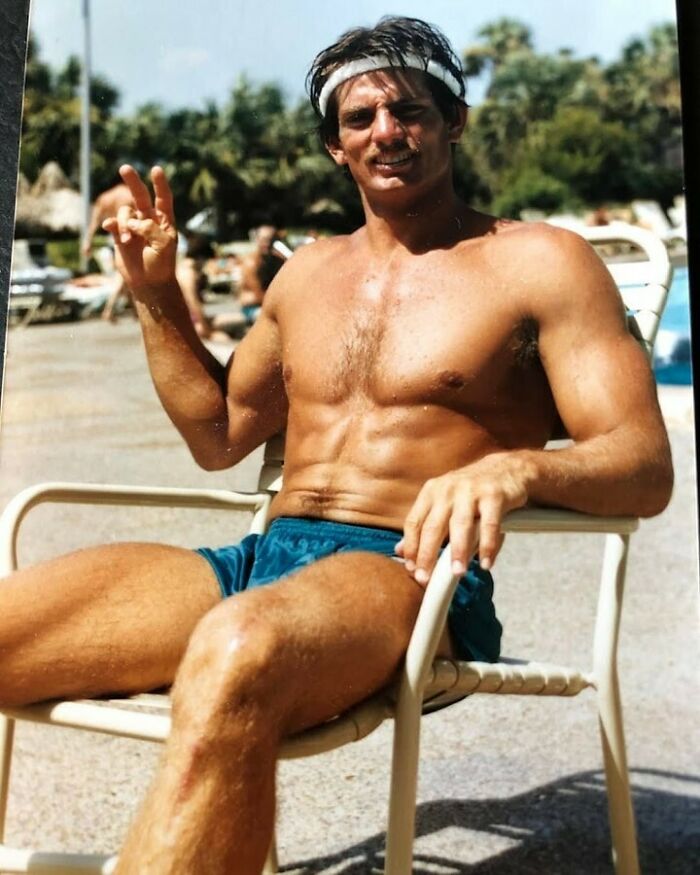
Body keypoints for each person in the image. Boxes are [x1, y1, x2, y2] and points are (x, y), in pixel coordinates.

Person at [0, 16, 673, 875]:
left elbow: (643, 463)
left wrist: (517, 468)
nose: (386, 131)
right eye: (361, 118)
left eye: (410, 110)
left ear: (454, 122)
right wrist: (156, 293)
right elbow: (218, 435)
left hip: (412, 573)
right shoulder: (308, 272)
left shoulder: (542, 261)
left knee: (238, 648)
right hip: (261, 563)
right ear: (335, 145)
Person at [82, 175, 136, 322]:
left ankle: (134, 312)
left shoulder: (105, 197)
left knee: (125, 276)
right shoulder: (129, 194)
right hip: (127, 237)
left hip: (111, 239)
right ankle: (109, 309)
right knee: (123, 276)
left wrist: (87, 242)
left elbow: (94, 221)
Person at [236, 223, 288, 325]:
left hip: (269, 303)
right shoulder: (251, 263)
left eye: (271, 240)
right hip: (253, 308)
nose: (267, 243)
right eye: (264, 240)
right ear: (257, 240)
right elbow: (259, 294)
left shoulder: (278, 260)